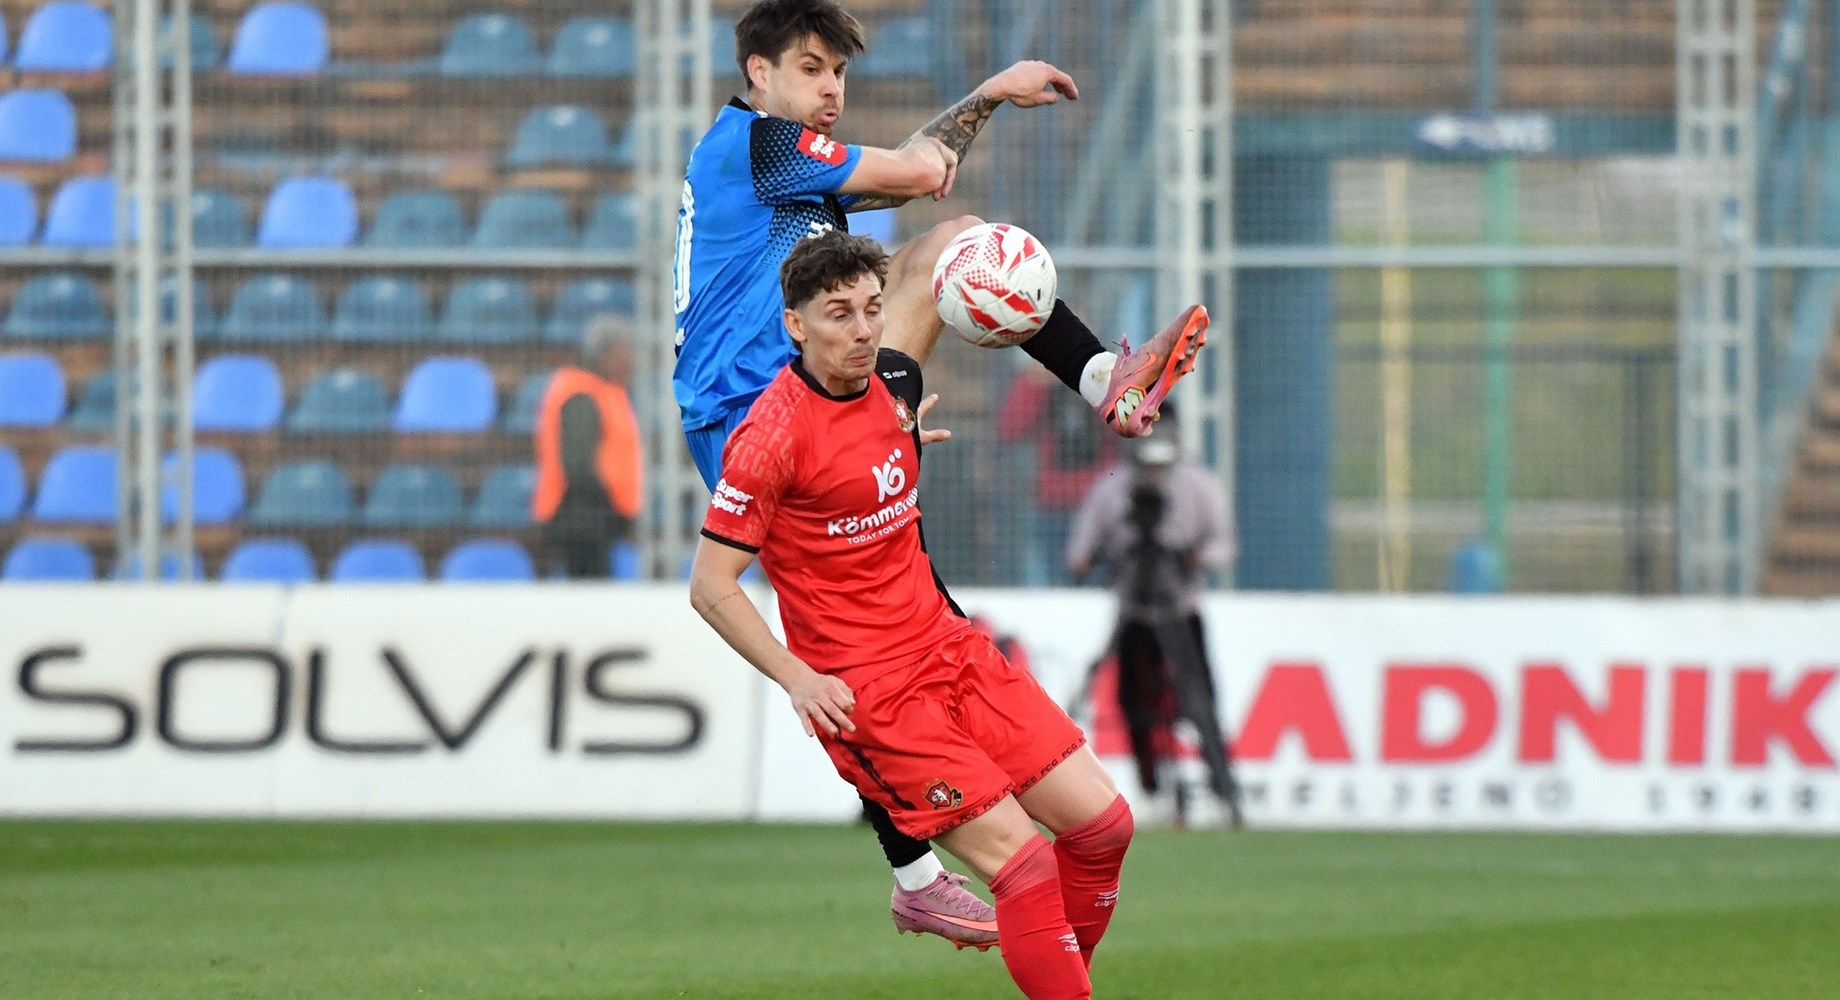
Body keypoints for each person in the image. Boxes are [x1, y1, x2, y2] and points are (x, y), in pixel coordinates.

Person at [672, 0, 1207, 945]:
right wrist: (983, 102)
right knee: (864, 638)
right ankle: (918, 869)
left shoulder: (786, 171)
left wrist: (991, 95)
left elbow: (914, 178)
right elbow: (919, 168)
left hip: (817, 388)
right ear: (758, 74)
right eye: (808, 68)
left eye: (837, 72)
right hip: (755, 411)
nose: (829, 89)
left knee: (902, 599)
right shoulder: (759, 147)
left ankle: (1103, 382)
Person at [691, 231, 1134, 999]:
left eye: (870, 309)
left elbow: (871, 454)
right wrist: (797, 677)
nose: (863, 330)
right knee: (1022, 865)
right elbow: (711, 584)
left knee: (1103, 828)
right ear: (795, 325)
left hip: (949, 648)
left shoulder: (894, 380)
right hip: (875, 694)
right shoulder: (768, 437)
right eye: (838, 315)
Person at [1065, 405, 1244, 826]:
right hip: (1133, 612)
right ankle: (1149, 784)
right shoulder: (1112, 489)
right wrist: (1090, 558)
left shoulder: (1197, 484)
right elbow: (1080, 549)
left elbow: (1224, 543)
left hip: (1179, 610)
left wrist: (1196, 557)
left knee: (1201, 703)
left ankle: (1225, 792)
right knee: (1131, 703)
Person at [532, 316, 642, 578]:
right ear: (607, 355)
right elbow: (578, 464)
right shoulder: (582, 394)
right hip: (583, 518)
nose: (631, 362)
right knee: (591, 601)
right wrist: (608, 502)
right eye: (627, 353)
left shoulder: (599, 391)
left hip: (593, 517)